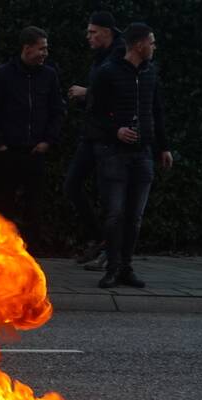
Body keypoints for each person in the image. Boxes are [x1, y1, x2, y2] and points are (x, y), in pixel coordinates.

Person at [85, 22, 173, 288]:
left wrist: (163, 147)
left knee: (134, 216)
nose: (154, 47)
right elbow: (92, 115)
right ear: (139, 44)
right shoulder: (107, 73)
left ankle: (126, 268)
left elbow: (156, 111)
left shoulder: (150, 73)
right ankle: (112, 268)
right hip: (113, 154)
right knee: (114, 214)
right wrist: (116, 131)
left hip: (143, 154)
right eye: (152, 42)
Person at [0, 26, 65, 252]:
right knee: (3, 205)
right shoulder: (4, 74)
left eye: (46, 49)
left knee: (34, 207)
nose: (45, 53)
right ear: (26, 48)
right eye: (41, 48)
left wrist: (48, 140)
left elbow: (57, 110)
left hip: (36, 152)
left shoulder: (49, 75)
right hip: (8, 152)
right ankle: (0, 252)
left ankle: (30, 255)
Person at [64, 11, 125, 271]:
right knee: (72, 185)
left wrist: (87, 92)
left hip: (110, 139)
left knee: (109, 196)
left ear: (107, 31)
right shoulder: (101, 58)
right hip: (92, 135)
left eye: (92, 32)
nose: (88, 36)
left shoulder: (120, 56)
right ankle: (99, 238)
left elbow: (120, 94)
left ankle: (112, 252)